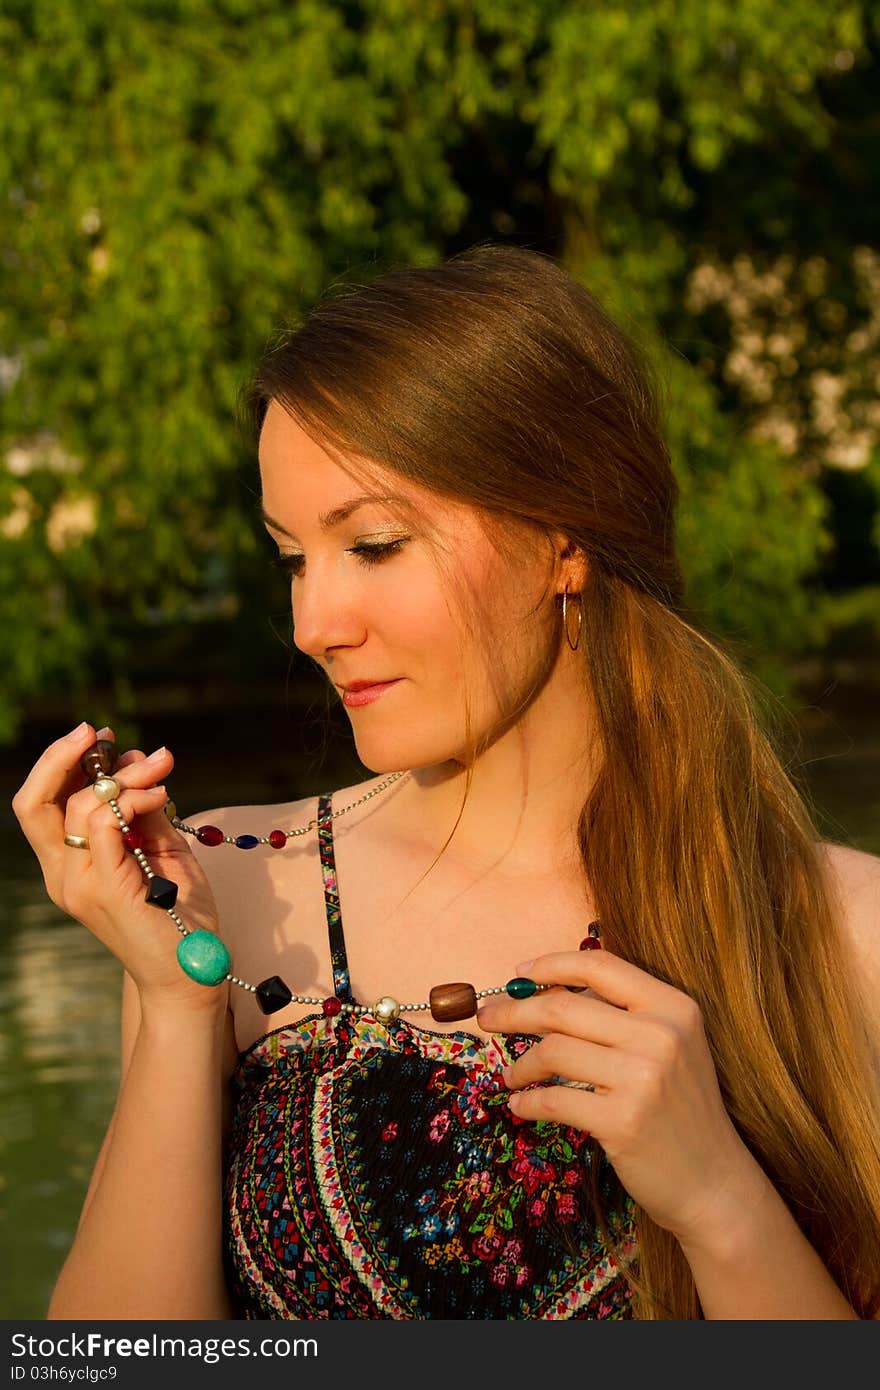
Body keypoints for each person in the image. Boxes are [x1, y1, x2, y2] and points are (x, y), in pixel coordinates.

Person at [12, 244, 880, 1321]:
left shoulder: (838, 929)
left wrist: (717, 1198)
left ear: (564, 536)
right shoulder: (232, 893)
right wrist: (177, 1008)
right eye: (293, 556)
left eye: (372, 544)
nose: (312, 624)